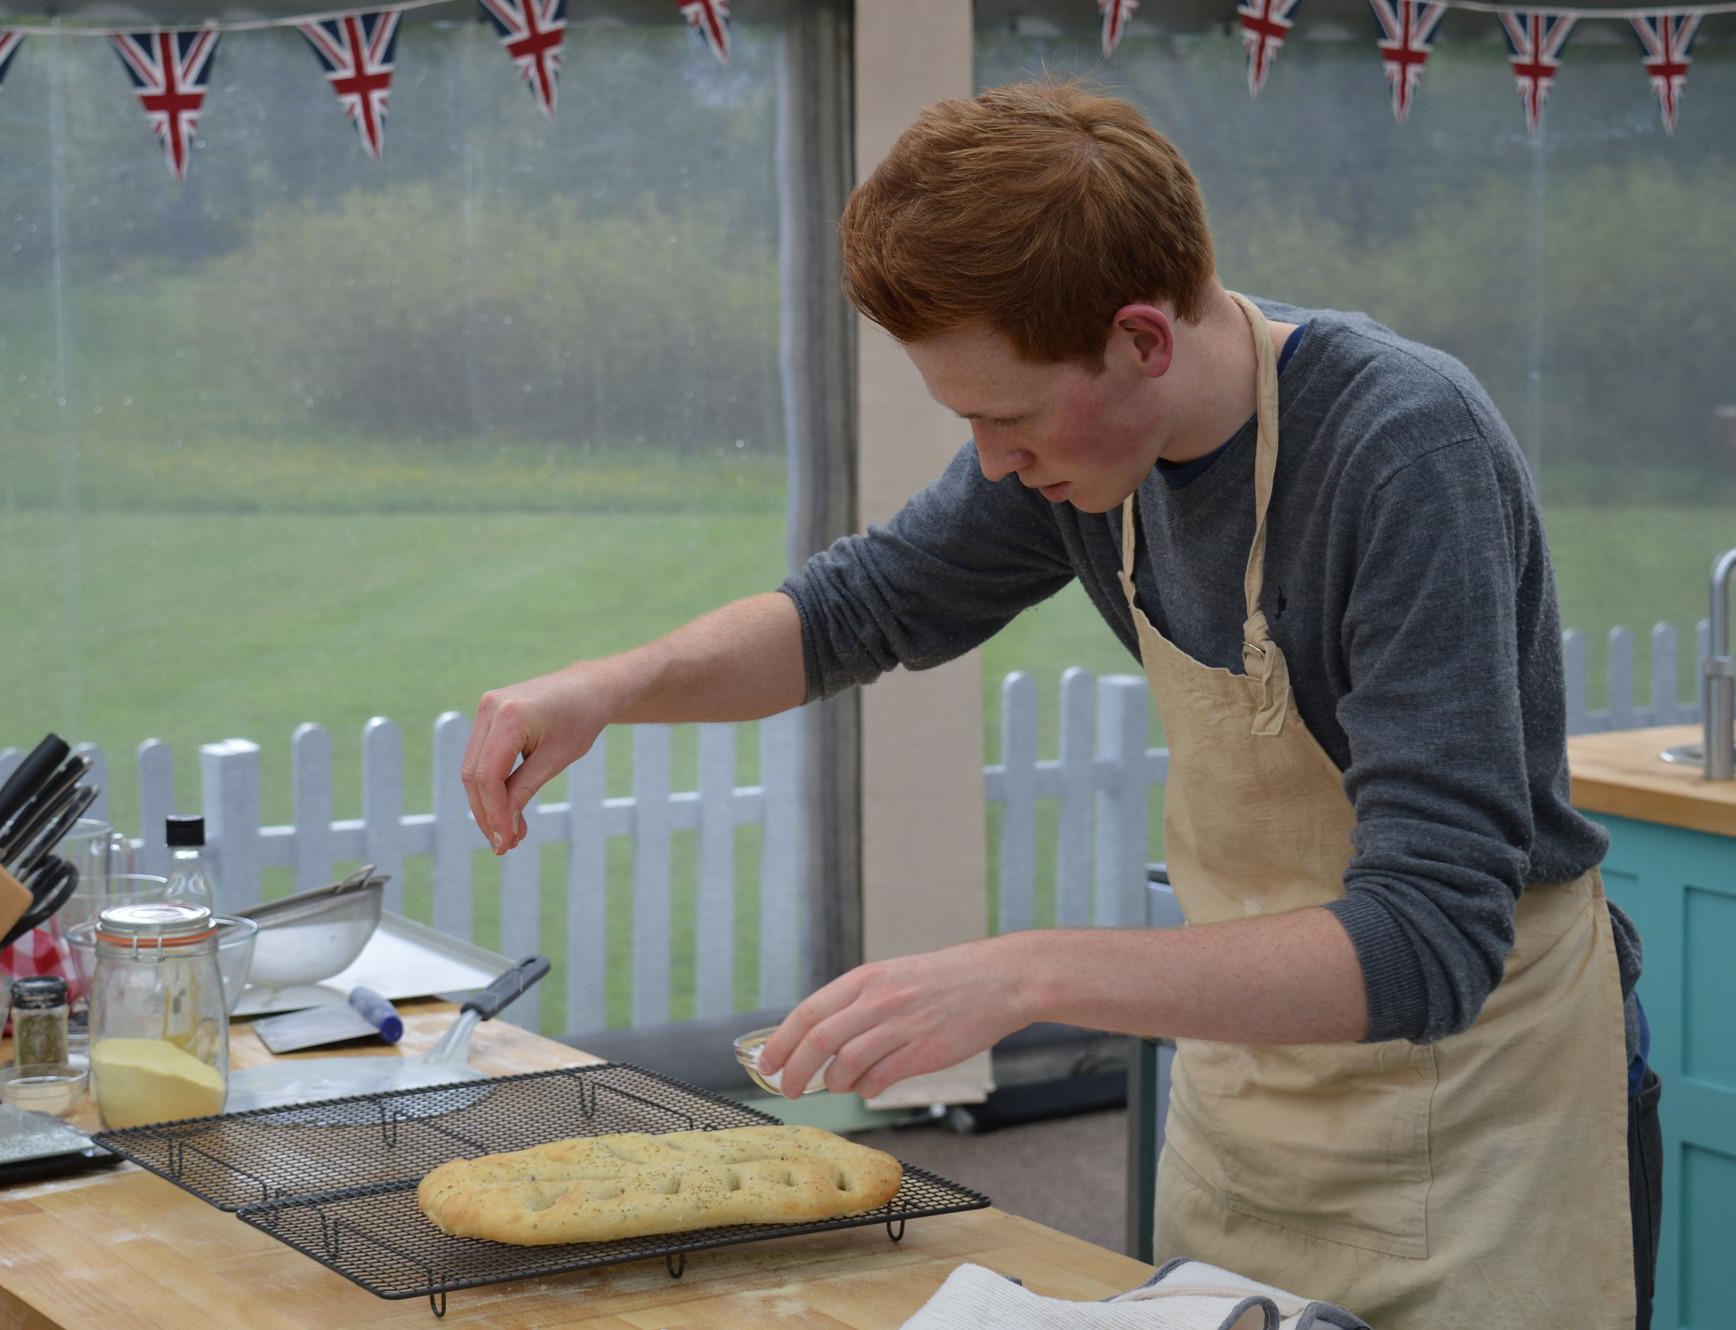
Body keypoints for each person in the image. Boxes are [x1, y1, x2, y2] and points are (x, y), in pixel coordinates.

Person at [459, 80, 1661, 1330]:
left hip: (1480, 1127)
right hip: (1257, 1117)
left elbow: (1428, 940)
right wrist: (612, 685)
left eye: (1006, 416)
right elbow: (855, 607)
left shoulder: (1402, 452)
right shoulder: (1079, 454)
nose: (989, 462)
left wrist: (1024, 971)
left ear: (1141, 339)